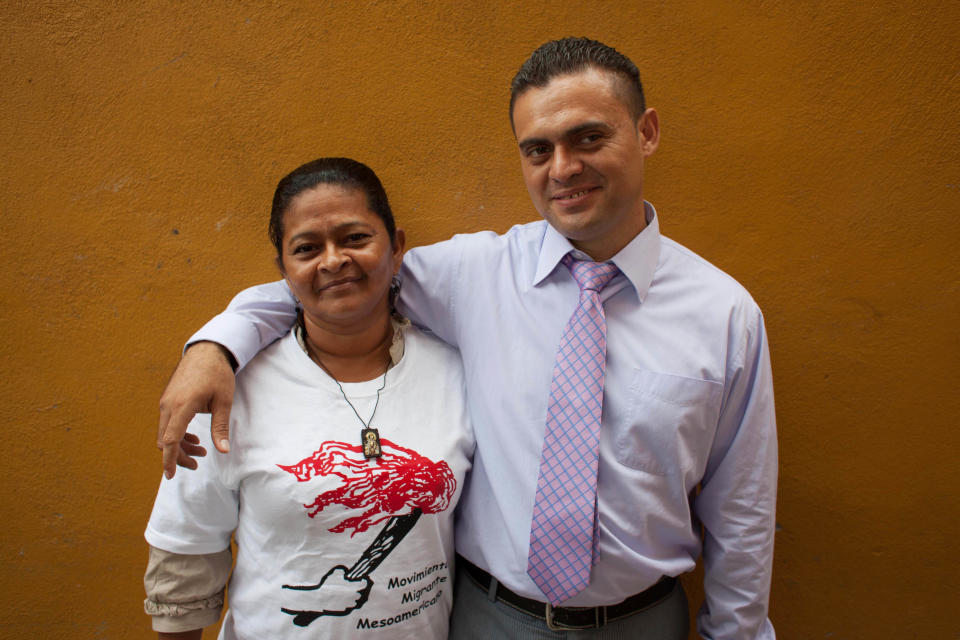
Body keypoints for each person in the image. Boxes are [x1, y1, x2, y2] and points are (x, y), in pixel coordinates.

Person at [157, 38, 777, 639]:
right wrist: (213, 348)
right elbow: (338, 285)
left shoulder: (724, 315)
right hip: (489, 619)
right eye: (538, 149)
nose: (563, 168)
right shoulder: (473, 275)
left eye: (589, 137)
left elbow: (741, 509)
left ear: (646, 132)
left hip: (643, 621)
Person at [144, 157, 474, 638]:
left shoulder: (454, 372)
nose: (333, 260)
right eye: (307, 248)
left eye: (356, 238)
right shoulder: (227, 390)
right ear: (283, 268)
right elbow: (186, 559)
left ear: (396, 246)